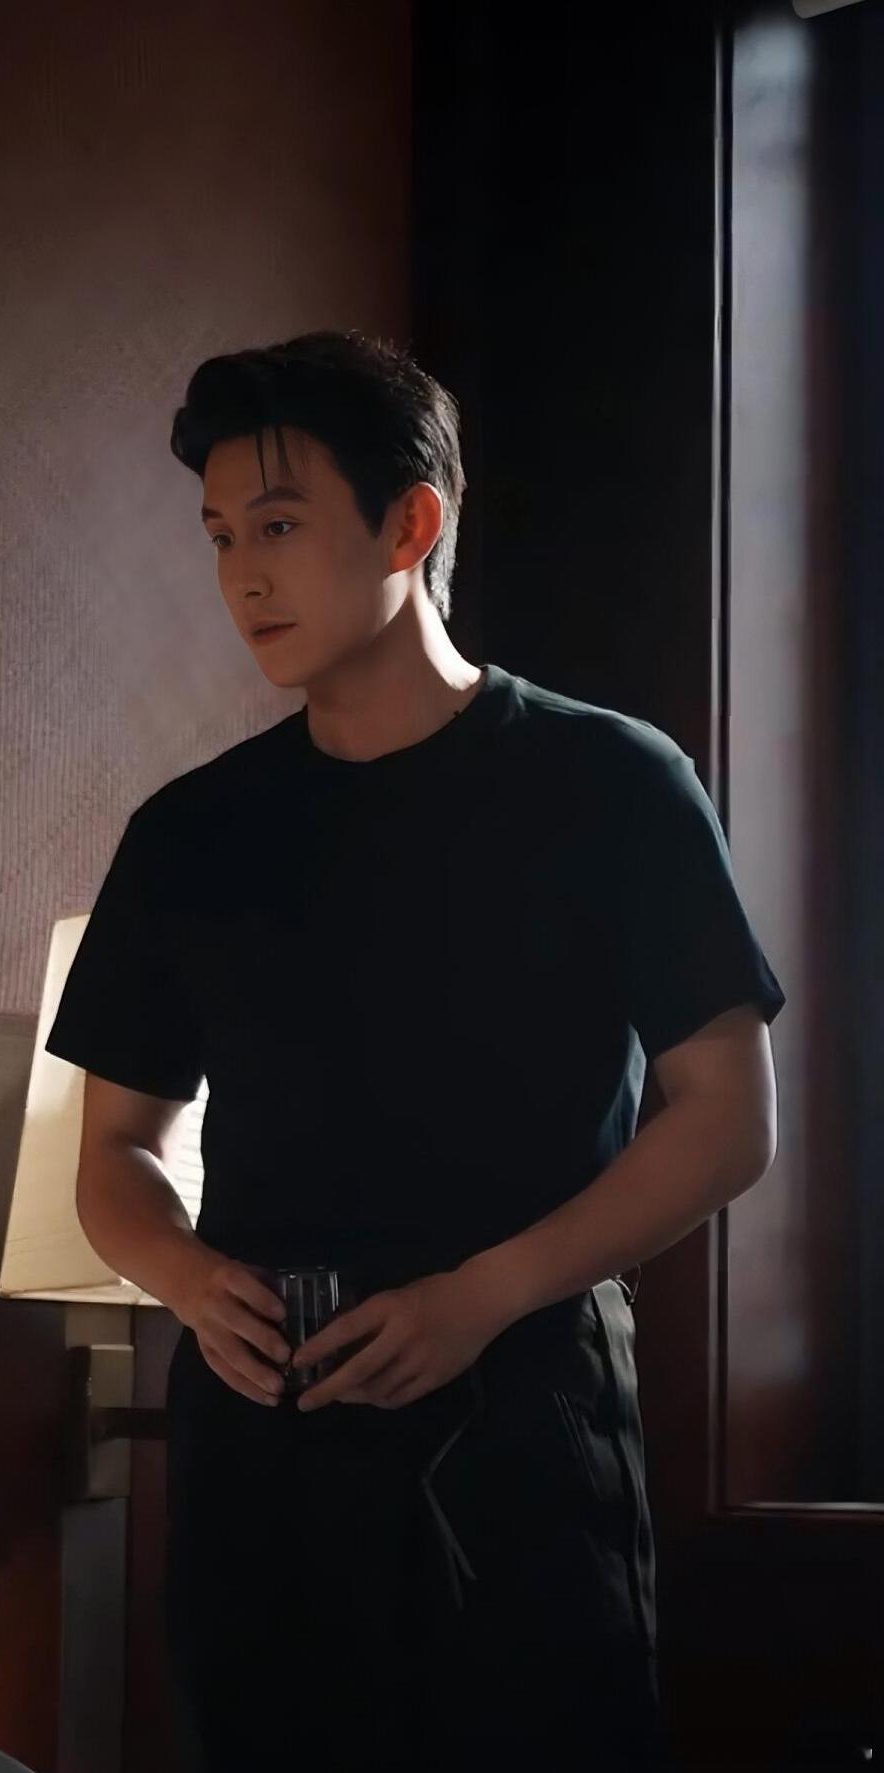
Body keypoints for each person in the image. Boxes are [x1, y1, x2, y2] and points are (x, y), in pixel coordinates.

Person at [44, 329, 786, 1770]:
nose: (241, 577)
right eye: (218, 538)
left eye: (277, 526)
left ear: (411, 523)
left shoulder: (609, 782)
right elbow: (115, 1155)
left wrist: (479, 1296)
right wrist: (187, 1278)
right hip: (265, 1435)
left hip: (522, 1412)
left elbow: (726, 1119)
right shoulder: (191, 834)